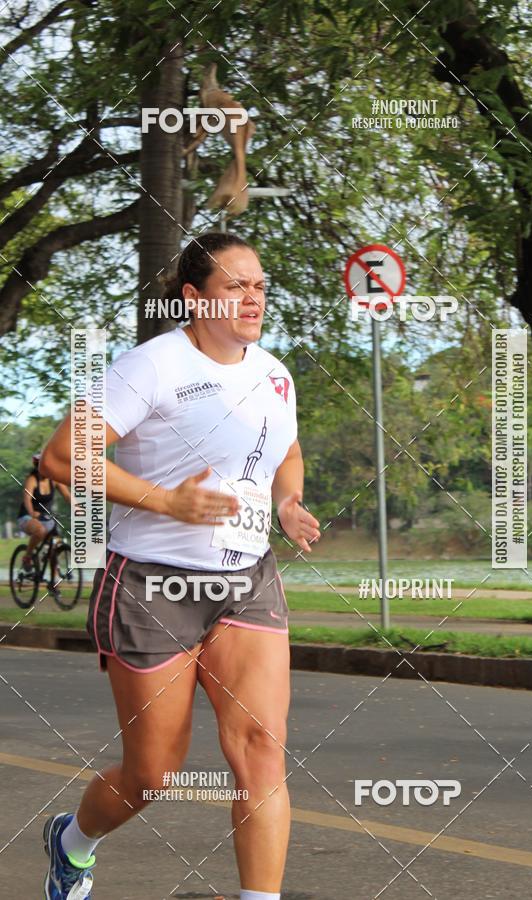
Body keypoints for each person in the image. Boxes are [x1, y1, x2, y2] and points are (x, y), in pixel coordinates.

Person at [39, 231, 321, 900]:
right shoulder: (152, 367)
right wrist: (167, 501)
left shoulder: (274, 372)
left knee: (260, 750)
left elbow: (287, 450)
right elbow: (60, 457)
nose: (252, 298)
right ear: (195, 299)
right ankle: (72, 842)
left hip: (247, 581)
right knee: (154, 774)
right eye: (234, 286)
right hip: (149, 585)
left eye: (258, 286)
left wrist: (288, 502)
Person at [17, 453, 72, 593]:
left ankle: (53, 583)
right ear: (38, 466)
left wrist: (78, 509)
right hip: (27, 517)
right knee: (40, 531)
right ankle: (27, 557)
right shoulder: (32, 479)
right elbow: (27, 500)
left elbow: (67, 496)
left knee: (55, 547)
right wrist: (32, 514)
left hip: (46, 517)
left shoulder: (55, 480)